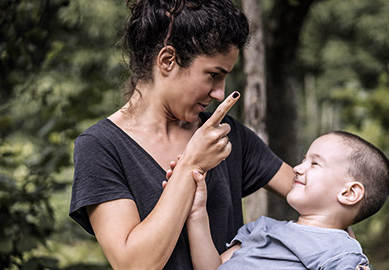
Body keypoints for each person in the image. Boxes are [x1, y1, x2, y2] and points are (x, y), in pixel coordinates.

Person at [68, 0, 294, 269]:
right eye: (213, 75)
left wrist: (343, 254)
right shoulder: (101, 147)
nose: (220, 93)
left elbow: (323, 198)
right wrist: (192, 164)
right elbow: (134, 264)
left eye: (224, 78)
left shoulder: (224, 135)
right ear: (167, 60)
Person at [182, 131, 389, 269]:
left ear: (349, 193)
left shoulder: (339, 252)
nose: (298, 168)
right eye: (303, 160)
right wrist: (197, 212)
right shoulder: (260, 229)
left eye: (315, 164)